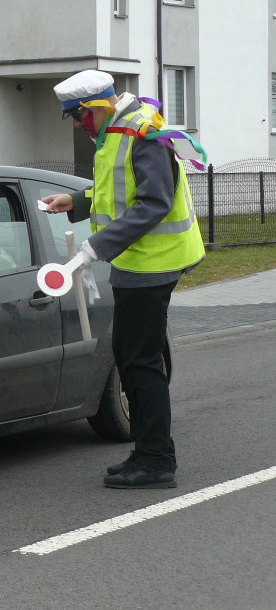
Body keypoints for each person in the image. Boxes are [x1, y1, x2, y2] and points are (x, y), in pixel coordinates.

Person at [41, 70, 205, 490]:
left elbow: (153, 202)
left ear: (95, 108)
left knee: (139, 359)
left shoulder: (143, 133)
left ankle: (156, 460)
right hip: (137, 262)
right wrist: (76, 201)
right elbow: (119, 191)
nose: (79, 126)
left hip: (154, 261)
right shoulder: (117, 130)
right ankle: (148, 449)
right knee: (130, 354)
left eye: (78, 117)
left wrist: (95, 247)